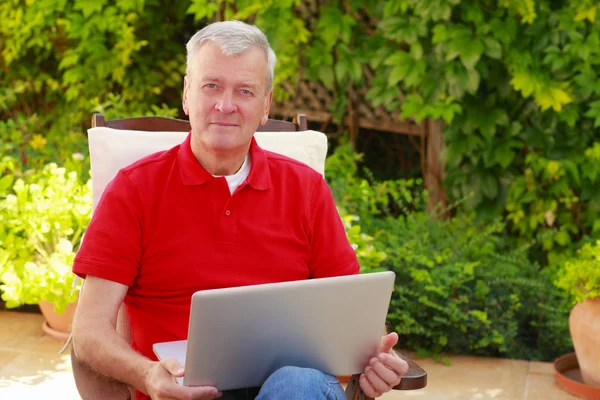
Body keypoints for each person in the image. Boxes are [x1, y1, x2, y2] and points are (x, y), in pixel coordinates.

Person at [71, 20, 408, 400]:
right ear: (186, 94)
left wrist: (377, 358)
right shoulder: (133, 190)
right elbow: (89, 329)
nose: (225, 105)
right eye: (211, 85)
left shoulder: (307, 190)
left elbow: (354, 314)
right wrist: (147, 374)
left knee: (300, 385)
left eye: (245, 91)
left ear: (266, 106)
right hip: (182, 392)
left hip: (291, 392)